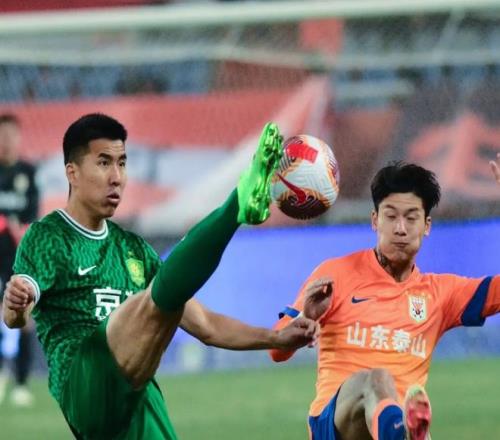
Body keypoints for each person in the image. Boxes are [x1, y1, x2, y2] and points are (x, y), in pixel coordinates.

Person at [2, 113, 319, 439]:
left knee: (164, 296)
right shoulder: (48, 236)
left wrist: (276, 338)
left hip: (138, 398)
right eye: (103, 163)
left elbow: (206, 326)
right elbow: (16, 314)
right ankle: (238, 202)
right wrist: (15, 303)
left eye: (122, 164)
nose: (116, 177)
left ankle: (238, 205)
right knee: (156, 298)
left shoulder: (133, 250)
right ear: (73, 173)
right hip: (83, 383)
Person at [270, 157, 500, 440]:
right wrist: (307, 317)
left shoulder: (442, 293)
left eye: (411, 218)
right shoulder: (335, 275)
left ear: (427, 225)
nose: (400, 228)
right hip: (337, 423)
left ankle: (403, 430)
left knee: (394, 404)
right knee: (377, 379)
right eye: (391, 216)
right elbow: (276, 351)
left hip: (393, 425)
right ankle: (405, 432)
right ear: (374, 220)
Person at [0, 113, 39, 407]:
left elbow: (32, 218)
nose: (6, 141)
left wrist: (20, 229)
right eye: (2, 136)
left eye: (11, 135)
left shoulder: (28, 172)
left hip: (18, 257)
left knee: (24, 315)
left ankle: (22, 383)